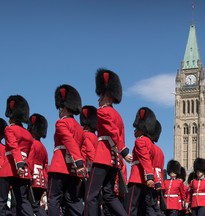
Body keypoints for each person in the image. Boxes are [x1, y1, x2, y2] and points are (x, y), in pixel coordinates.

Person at [84, 69, 132, 216]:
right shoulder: (118, 115)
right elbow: (119, 134)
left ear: (105, 94)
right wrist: (121, 152)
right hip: (114, 160)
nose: (98, 98)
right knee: (109, 194)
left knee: (90, 195)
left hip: (103, 157)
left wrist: (123, 150)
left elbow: (112, 132)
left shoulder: (102, 112)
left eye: (100, 95)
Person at [48, 84, 86, 216]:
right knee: (72, 200)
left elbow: (69, 141)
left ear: (63, 107)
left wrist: (79, 161)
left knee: (53, 199)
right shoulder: (79, 128)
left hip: (60, 165)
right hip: (73, 169)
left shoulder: (61, 123)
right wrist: (80, 164)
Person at [0, 95, 34, 215]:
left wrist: (18, 163)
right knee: (22, 201)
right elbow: (30, 156)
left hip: (9, 168)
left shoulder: (9, 129)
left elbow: (14, 147)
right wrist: (25, 170)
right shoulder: (28, 135)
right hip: (22, 171)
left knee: (2, 201)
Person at [124, 107, 157, 216]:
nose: (134, 131)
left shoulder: (140, 141)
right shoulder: (150, 143)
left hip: (137, 178)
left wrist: (149, 176)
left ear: (141, 128)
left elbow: (144, 159)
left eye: (136, 128)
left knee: (130, 208)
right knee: (142, 209)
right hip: (145, 181)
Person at [27, 113, 49, 216]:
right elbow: (45, 166)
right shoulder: (43, 147)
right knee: (35, 205)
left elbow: (30, 161)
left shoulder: (31, 143)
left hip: (32, 179)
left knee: (30, 206)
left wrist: (28, 176)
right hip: (41, 181)